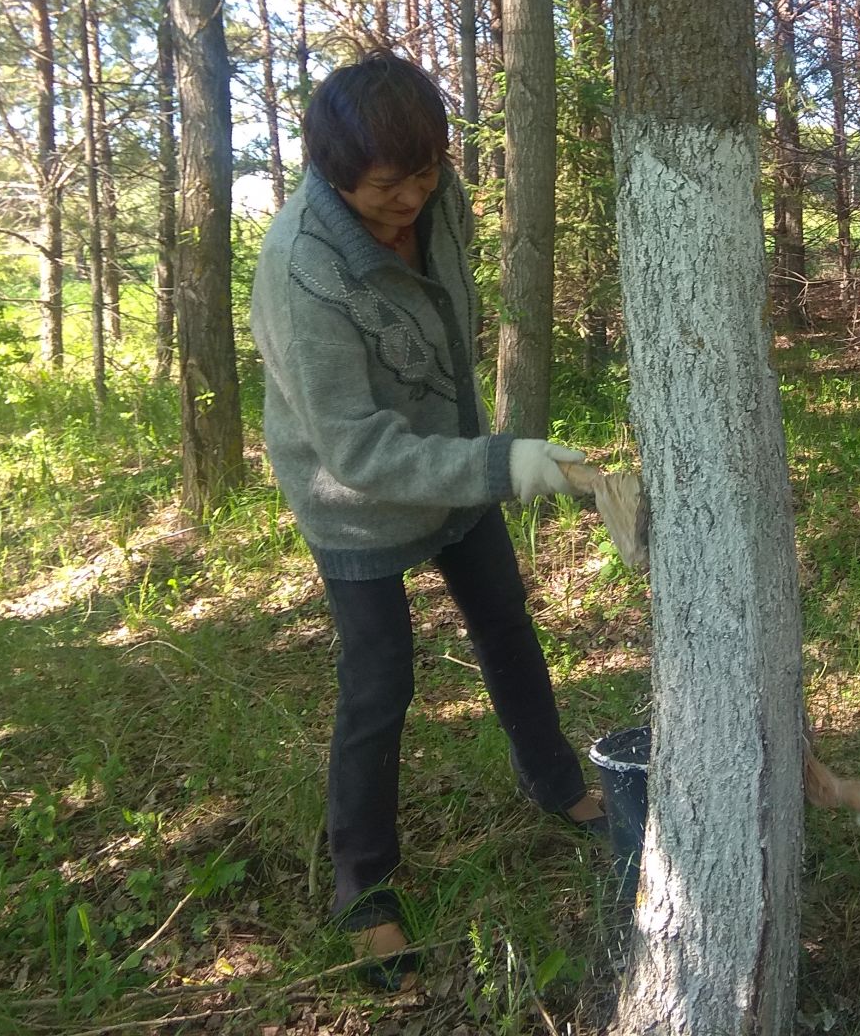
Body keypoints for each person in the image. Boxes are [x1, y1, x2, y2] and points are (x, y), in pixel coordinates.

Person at [248, 51, 605, 976]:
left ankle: (557, 781)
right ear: (331, 172)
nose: (408, 201)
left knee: (506, 622)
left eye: (424, 175)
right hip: (355, 500)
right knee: (380, 687)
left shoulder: (438, 199)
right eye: (382, 188)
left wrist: (479, 456)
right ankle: (363, 887)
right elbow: (355, 450)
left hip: (454, 463)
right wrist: (504, 462)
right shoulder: (303, 269)